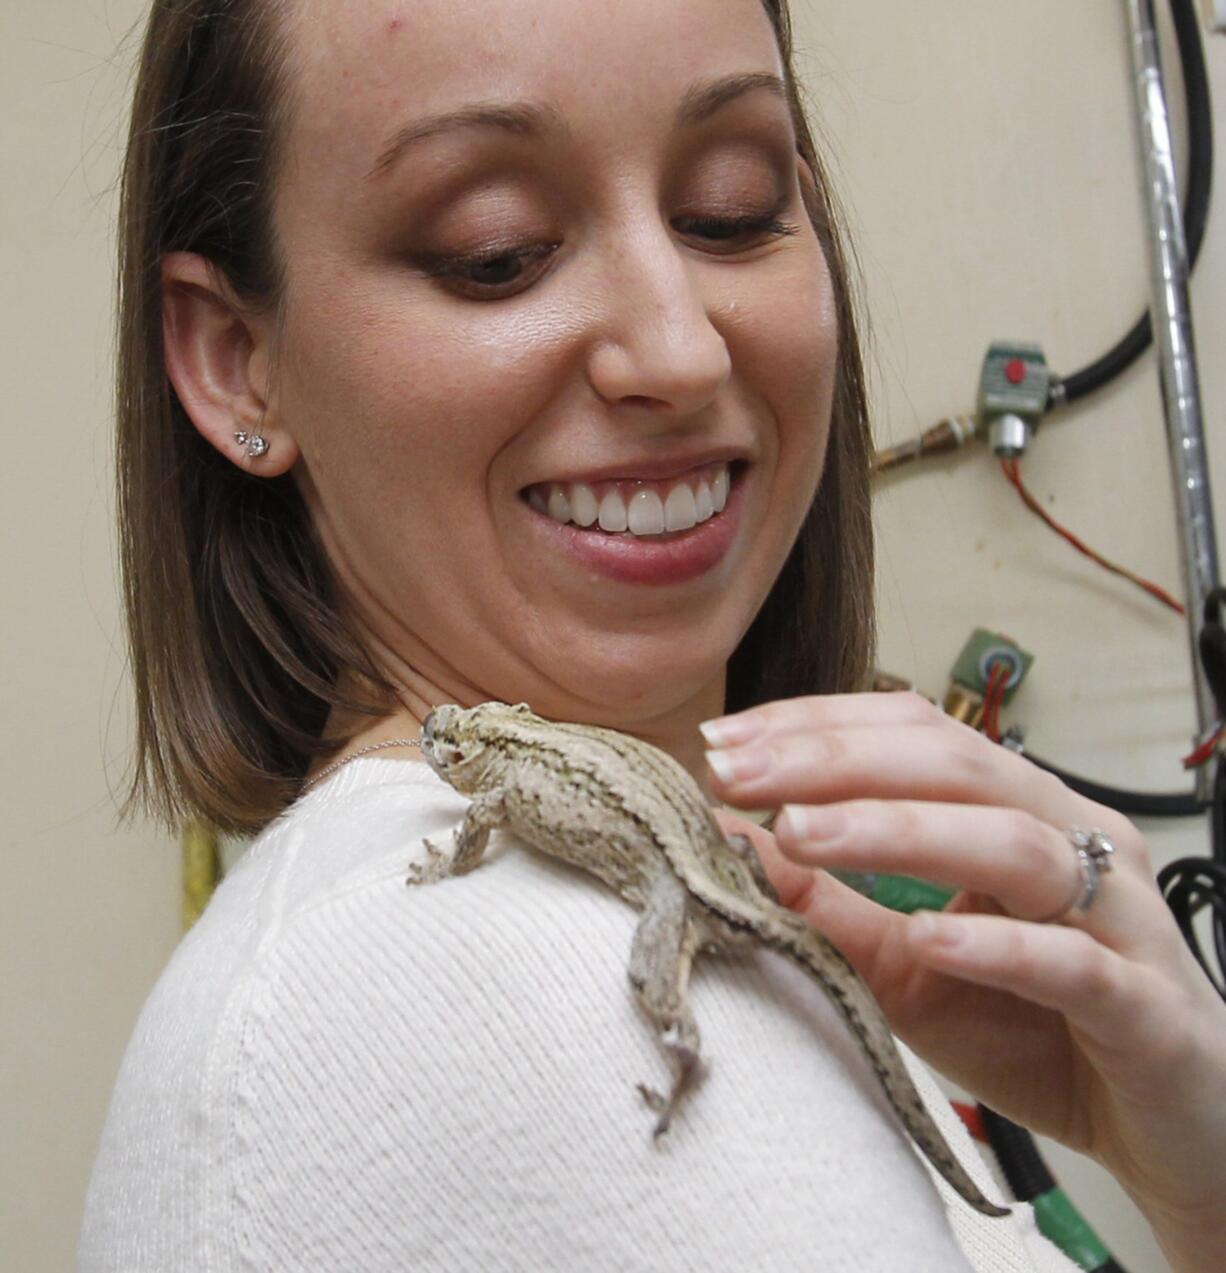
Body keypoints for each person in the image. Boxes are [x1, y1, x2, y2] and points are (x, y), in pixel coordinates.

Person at [79, 0, 1226, 1269]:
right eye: (494, 249)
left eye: (733, 208)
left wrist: (1201, 1196)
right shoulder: (482, 988)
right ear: (239, 356)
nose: (677, 351)